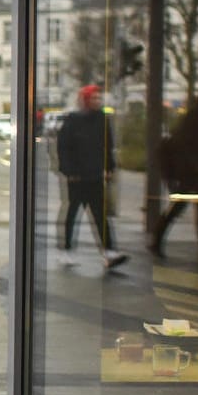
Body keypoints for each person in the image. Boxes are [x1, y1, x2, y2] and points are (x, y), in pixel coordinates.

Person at [151, 80, 198, 263]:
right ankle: (158, 241)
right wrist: (195, 166)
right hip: (192, 172)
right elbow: (187, 145)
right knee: (180, 208)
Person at [56, 85, 128, 270]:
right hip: (77, 177)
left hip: (94, 175)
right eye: (94, 98)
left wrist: (109, 166)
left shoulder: (103, 119)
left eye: (98, 98)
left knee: (100, 215)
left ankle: (109, 251)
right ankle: (67, 250)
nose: (97, 101)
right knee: (73, 213)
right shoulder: (73, 120)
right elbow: (64, 147)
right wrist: (69, 171)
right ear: (86, 100)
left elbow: (107, 145)